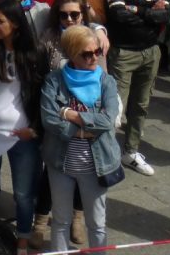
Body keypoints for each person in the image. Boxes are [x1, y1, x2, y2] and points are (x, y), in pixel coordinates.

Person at [0, 0, 47, 255]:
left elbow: (42, 95)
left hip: (23, 135)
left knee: (24, 194)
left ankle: (23, 239)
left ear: (15, 24)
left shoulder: (35, 53)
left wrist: (35, 129)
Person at [40, 23, 122, 252]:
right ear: (72, 54)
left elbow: (108, 120)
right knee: (61, 221)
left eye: (97, 52)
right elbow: (49, 120)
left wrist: (70, 113)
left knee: (96, 224)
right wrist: (80, 130)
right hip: (60, 163)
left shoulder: (107, 81)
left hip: (97, 166)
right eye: (87, 54)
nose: (94, 58)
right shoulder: (54, 81)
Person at [104, 0, 167, 176]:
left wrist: (137, 10)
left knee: (140, 106)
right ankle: (108, 154)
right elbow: (118, 14)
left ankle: (131, 151)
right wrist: (149, 11)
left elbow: (166, 13)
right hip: (124, 52)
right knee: (115, 107)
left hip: (150, 51)